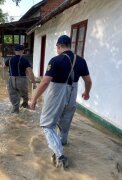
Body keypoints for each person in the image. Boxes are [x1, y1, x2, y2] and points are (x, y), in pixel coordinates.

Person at [30, 35, 92, 169]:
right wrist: (86, 93)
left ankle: (60, 155)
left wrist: (34, 98)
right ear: (69, 45)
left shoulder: (56, 60)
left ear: (59, 46)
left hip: (57, 93)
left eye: (57, 47)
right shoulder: (81, 60)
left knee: (47, 124)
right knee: (64, 123)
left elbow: (45, 82)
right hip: (72, 94)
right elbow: (88, 81)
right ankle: (62, 143)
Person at [4, 44, 36, 114]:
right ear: (23, 51)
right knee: (24, 95)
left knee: (13, 96)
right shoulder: (24, 60)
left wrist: (10, 72)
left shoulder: (9, 60)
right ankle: (25, 106)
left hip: (11, 80)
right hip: (21, 80)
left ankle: (15, 111)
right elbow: (30, 72)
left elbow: (4, 67)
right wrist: (33, 82)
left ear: (15, 51)